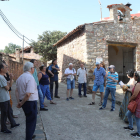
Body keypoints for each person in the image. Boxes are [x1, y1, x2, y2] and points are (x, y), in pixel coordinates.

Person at [16, 62, 38, 140]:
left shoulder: (20, 77)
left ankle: (30, 134)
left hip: (25, 101)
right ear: (31, 69)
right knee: (31, 121)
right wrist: (21, 103)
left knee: (29, 119)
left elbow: (16, 91)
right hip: (30, 102)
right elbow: (28, 94)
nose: (34, 69)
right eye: (34, 68)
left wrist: (19, 101)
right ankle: (29, 137)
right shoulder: (30, 78)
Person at [0, 62, 20, 134]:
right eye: (5, 67)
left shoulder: (3, 77)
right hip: (3, 99)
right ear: (1, 69)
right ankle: (3, 128)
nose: (7, 68)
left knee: (9, 111)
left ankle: (13, 124)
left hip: (6, 97)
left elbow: (9, 86)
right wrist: (9, 82)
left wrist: (11, 79)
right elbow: (8, 88)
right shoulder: (1, 77)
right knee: (4, 113)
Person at [123, 71, 140, 138]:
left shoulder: (138, 84)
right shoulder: (137, 83)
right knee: (128, 114)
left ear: (137, 77)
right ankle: (130, 127)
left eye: (134, 75)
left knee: (137, 118)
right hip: (136, 102)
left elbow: (135, 95)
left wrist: (130, 100)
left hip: (137, 103)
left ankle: (139, 133)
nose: (134, 77)